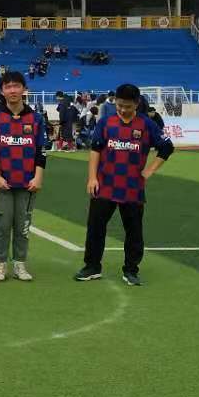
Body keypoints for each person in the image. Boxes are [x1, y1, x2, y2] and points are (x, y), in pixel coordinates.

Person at [75, 83, 174, 286]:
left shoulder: (147, 125)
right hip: (104, 184)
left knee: (134, 230)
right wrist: (92, 178)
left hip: (132, 187)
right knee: (95, 227)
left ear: (136, 104)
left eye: (127, 106)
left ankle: (131, 270)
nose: (123, 109)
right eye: (119, 105)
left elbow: (167, 147)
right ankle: (92, 266)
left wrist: (149, 171)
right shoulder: (106, 122)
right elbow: (95, 150)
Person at [0, 70, 48, 282]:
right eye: (8, 87)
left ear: (24, 89)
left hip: (27, 183)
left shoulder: (36, 119)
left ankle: (20, 265)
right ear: (2, 91)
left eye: (16, 86)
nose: (12, 90)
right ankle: (0, 265)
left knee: (23, 226)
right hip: (1, 183)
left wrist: (38, 177)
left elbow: (41, 151)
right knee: (2, 226)